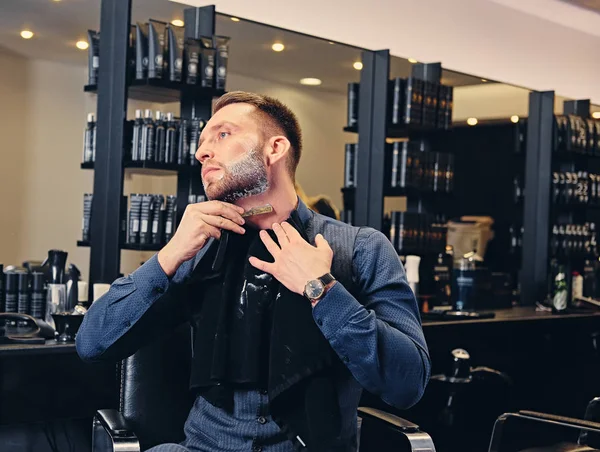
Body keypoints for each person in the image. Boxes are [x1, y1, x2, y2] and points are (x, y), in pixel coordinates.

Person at [76, 91, 431, 452]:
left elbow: (408, 384)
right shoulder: (198, 252)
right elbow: (92, 343)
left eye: (223, 135)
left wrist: (322, 289)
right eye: (201, 143)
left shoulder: (361, 249)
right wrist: (168, 256)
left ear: (275, 149)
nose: (202, 152)